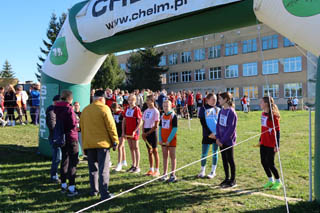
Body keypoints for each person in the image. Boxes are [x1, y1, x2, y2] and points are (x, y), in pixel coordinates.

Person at [80, 90, 119, 199]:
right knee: (103, 169)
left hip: (89, 144)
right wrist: (115, 140)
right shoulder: (104, 108)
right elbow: (111, 126)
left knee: (93, 169)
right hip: (103, 144)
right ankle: (104, 193)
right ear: (102, 99)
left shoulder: (85, 110)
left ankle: (94, 190)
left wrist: (83, 145)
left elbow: (82, 129)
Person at [54, 90, 79, 196]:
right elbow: (73, 123)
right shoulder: (69, 109)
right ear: (70, 99)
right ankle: (72, 186)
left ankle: (63, 184)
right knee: (73, 162)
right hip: (71, 137)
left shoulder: (56, 108)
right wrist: (77, 121)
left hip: (61, 137)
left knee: (64, 160)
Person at [258, 96, 282, 190]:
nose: (260, 104)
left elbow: (278, 131)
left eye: (262, 102)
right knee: (263, 162)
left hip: (271, 144)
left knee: (270, 163)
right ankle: (270, 180)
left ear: (266, 104)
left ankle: (278, 181)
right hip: (263, 142)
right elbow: (263, 128)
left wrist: (277, 145)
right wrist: (260, 139)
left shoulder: (273, 116)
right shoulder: (263, 114)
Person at [216, 92, 238, 188]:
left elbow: (231, 129)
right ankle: (226, 178)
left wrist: (223, 140)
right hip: (220, 141)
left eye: (220, 99)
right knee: (224, 160)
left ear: (225, 100)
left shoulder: (231, 112)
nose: (218, 100)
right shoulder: (221, 111)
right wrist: (217, 138)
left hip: (228, 141)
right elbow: (218, 125)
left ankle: (233, 180)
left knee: (230, 160)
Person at [198, 93, 220, 179]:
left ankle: (213, 171)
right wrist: (209, 133)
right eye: (213, 99)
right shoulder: (203, 109)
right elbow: (203, 123)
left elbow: (219, 122)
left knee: (215, 153)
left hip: (216, 135)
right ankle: (202, 171)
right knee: (204, 154)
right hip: (207, 134)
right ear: (207, 100)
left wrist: (216, 133)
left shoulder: (218, 109)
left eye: (215, 99)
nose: (215, 101)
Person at [122, 94, 142, 173]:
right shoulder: (126, 108)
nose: (130, 102)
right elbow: (124, 120)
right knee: (131, 148)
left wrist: (135, 130)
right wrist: (123, 131)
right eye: (129, 100)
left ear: (135, 100)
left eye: (132, 100)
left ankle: (137, 166)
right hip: (128, 131)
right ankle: (133, 165)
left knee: (136, 148)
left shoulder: (137, 109)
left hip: (134, 131)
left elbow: (140, 122)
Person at [159, 100, 178, 183]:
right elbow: (160, 128)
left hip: (171, 140)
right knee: (164, 156)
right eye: (164, 106)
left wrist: (168, 140)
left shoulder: (173, 116)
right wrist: (160, 138)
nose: (165, 108)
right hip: (163, 140)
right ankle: (165, 173)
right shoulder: (162, 116)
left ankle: (173, 174)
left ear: (171, 106)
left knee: (172, 156)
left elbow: (174, 129)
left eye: (167, 106)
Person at [142, 95, 160, 177]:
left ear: (152, 101)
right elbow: (143, 122)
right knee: (149, 151)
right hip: (146, 132)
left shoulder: (156, 111)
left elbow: (156, 125)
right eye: (147, 100)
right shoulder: (145, 111)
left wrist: (147, 133)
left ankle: (157, 170)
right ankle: (151, 169)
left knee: (155, 151)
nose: (147, 102)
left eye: (149, 100)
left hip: (152, 132)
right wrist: (143, 132)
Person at [46, 95, 61, 183]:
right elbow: (52, 125)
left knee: (59, 157)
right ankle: (54, 175)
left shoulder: (54, 110)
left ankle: (56, 174)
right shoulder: (52, 111)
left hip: (57, 137)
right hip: (55, 138)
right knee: (57, 157)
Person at [111, 102, 128, 172]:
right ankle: (124, 161)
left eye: (113, 109)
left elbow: (125, 123)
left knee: (120, 147)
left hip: (122, 132)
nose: (113, 111)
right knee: (122, 147)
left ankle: (119, 164)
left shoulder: (122, 113)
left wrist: (125, 133)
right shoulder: (113, 114)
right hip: (117, 132)